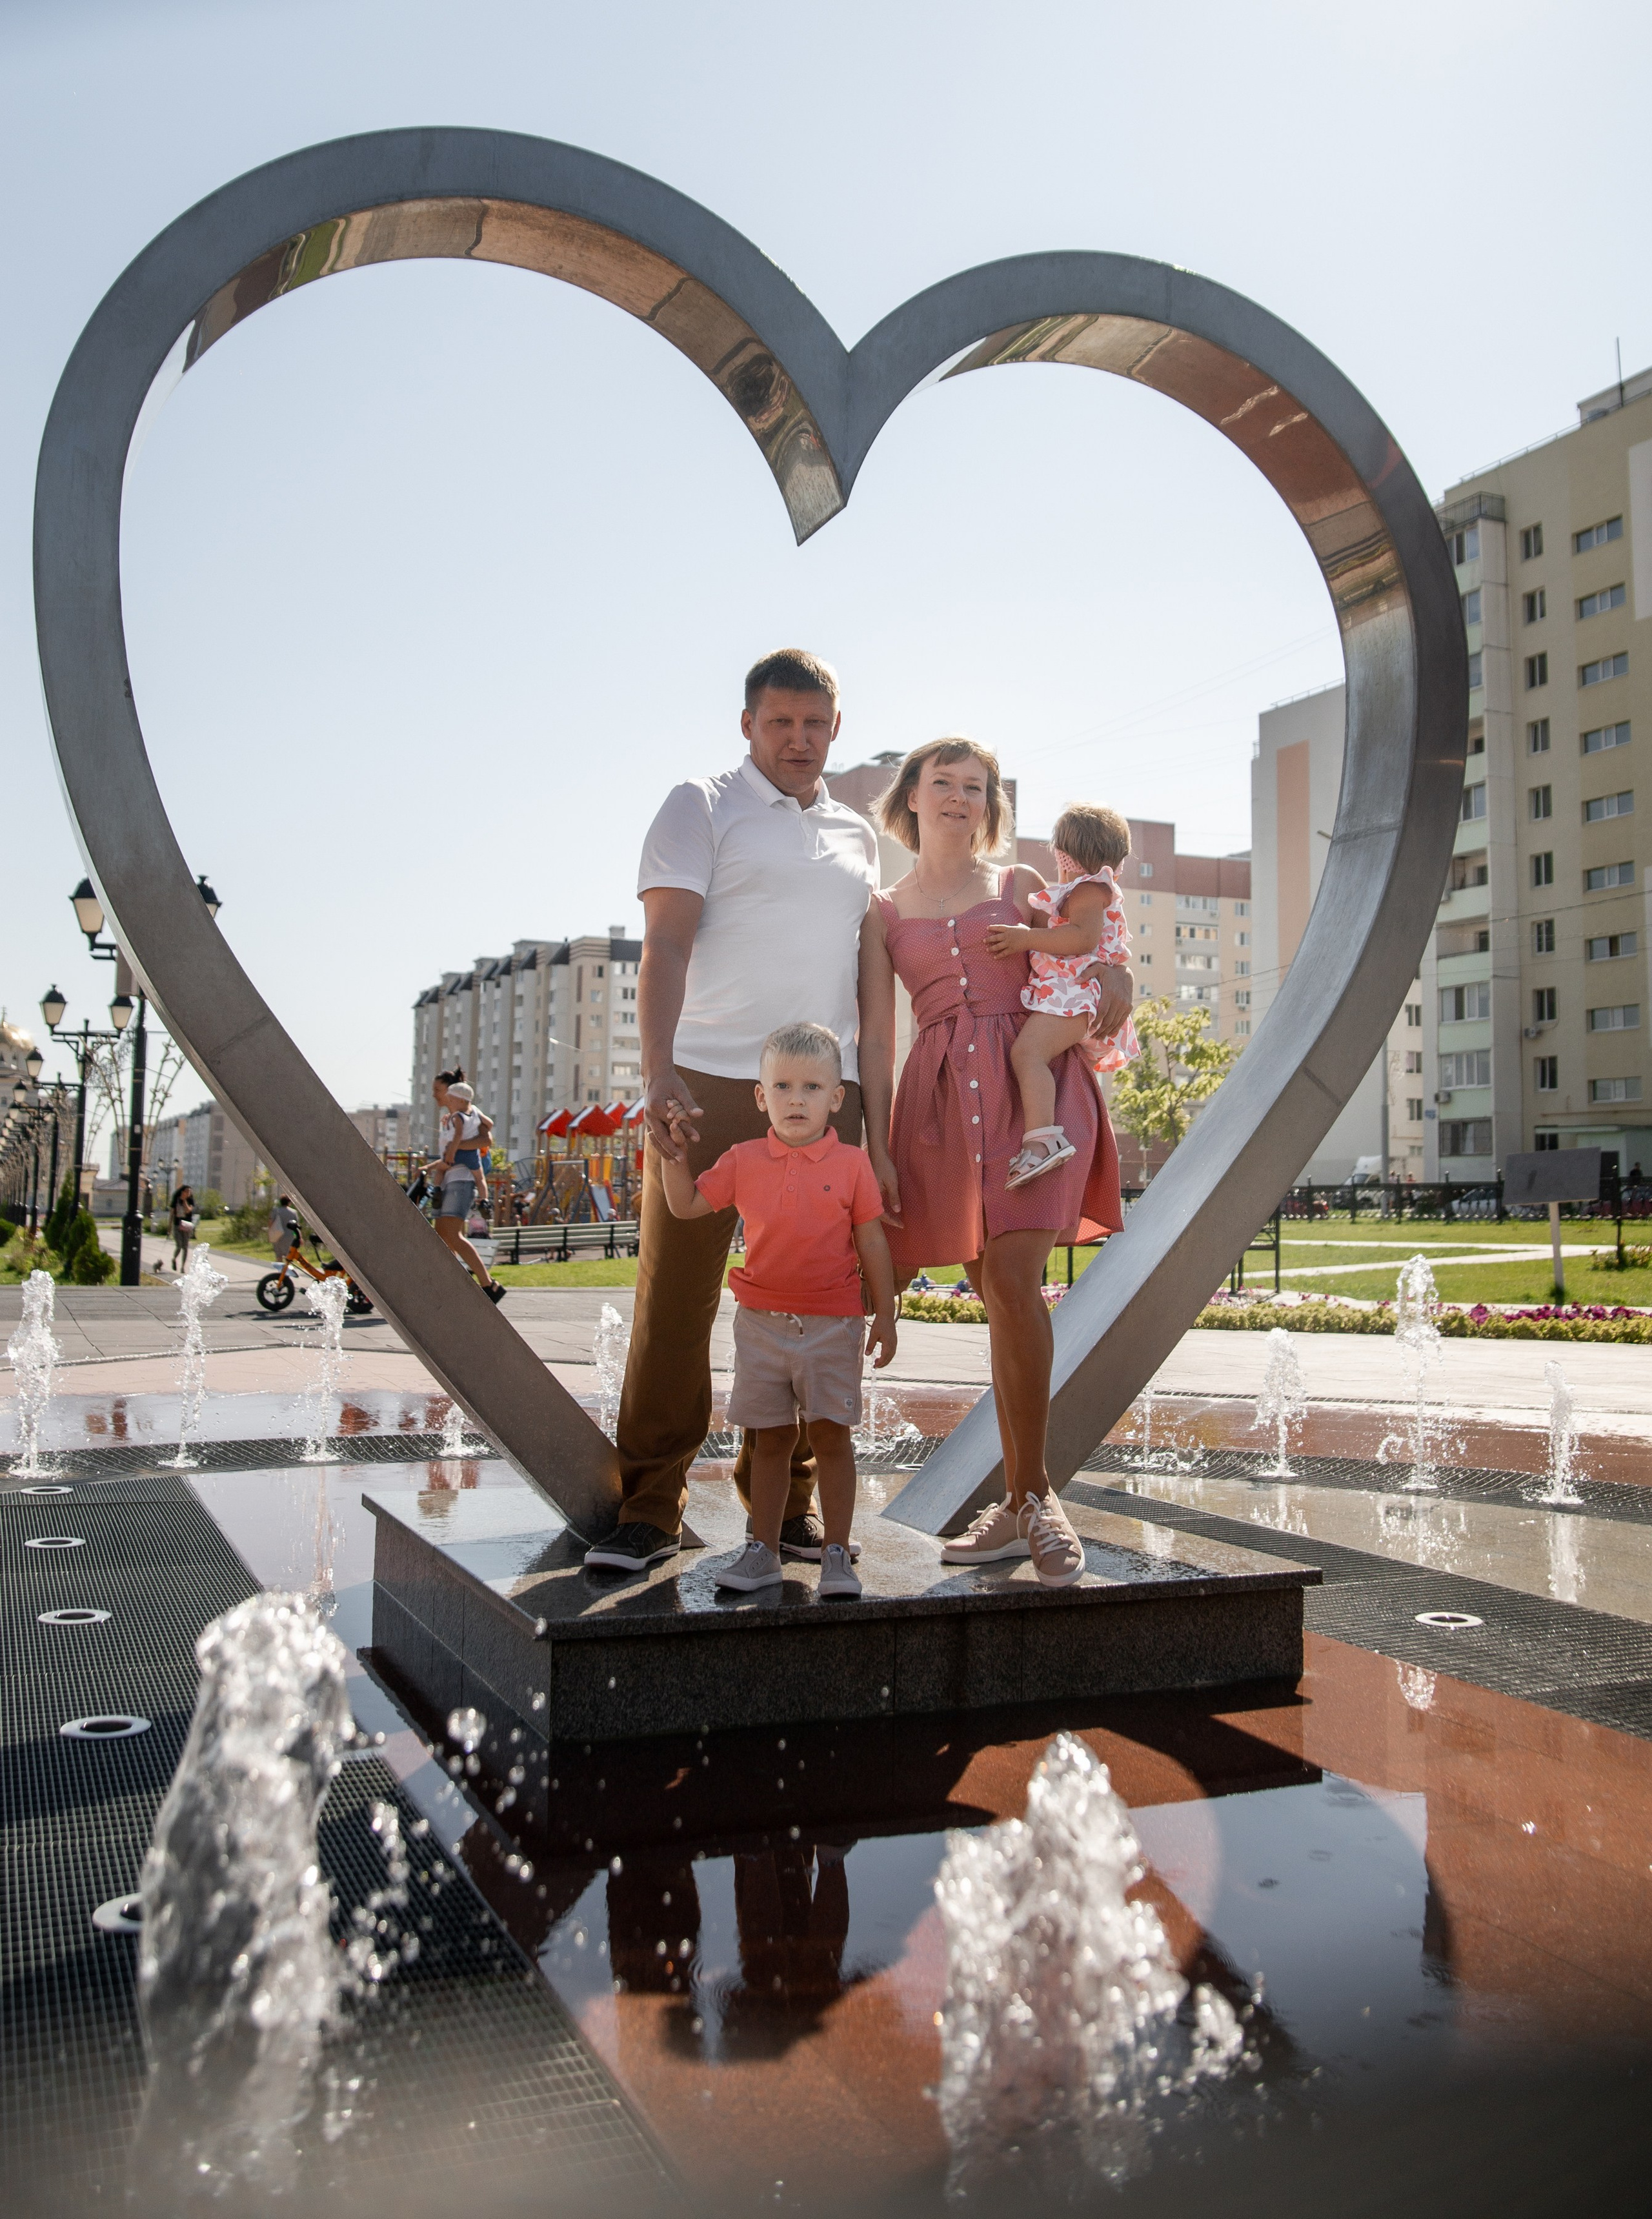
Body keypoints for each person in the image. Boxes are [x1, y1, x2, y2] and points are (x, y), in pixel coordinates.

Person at [585, 648, 880, 1575]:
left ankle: (786, 1508)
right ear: (749, 726)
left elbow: (867, 981)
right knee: (677, 1301)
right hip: (711, 1082)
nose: (798, 739)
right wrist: (659, 1069)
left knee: (811, 1305)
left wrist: (867, 1100)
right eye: (779, 722)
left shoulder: (857, 834)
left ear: (837, 728)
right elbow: (665, 941)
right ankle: (649, 1506)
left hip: (828, 1096)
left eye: (814, 723)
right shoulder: (701, 804)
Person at [857, 738, 1129, 1588]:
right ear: (910, 798)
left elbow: (1092, 941)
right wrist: (874, 1145)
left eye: (976, 787)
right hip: (938, 1107)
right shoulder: (882, 911)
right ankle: (1018, 1507)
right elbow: (875, 1035)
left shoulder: (1018, 887)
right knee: (988, 1287)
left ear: (991, 804)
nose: (961, 797)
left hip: (1034, 1094)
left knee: (1013, 1278)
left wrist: (1120, 981)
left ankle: (1036, 1498)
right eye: (944, 782)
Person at [657, 1022, 896, 1599]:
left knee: (832, 1439)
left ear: (837, 1098)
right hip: (760, 1324)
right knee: (769, 1441)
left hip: (834, 1324)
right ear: (760, 1097)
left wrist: (885, 1314)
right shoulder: (742, 1160)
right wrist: (673, 1153)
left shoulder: (852, 1166)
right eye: (783, 1086)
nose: (796, 1098)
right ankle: (762, 1551)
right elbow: (686, 1205)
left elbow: (872, 1243)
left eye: (812, 1087)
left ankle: (836, 1554)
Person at [987, 803, 1140, 1188]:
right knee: (1032, 1054)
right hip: (1073, 993)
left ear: (1064, 855)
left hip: (1077, 995)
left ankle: (1043, 1142)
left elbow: (1082, 938)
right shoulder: (1083, 890)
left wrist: (1025, 937)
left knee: (1027, 1054)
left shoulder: (1089, 888)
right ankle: (1043, 1139)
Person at [423, 1071, 505, 1302]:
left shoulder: (469, 1115)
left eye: (438, 1090)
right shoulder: (450, 1119)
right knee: (443, 1236)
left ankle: (489, 1284)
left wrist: (454, 1149)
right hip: (450, 1177)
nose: (434, 1095)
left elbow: (486, 1140)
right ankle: (453, 1284)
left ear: (452, 1092)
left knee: (452, 1234)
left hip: (463, 1178)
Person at [169, 1185, 196, 1272]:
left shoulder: (190, 1200)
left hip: (187, 1225)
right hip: (177, 1225)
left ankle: (183, 1267)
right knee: (179, 1245)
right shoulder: (176, 1200)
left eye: (190, 1192)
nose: (188, 1193)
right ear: (182, 1192)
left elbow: (188, 1210)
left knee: (185, 1247)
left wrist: (184, 1200)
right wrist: (169, 1226)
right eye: (187, 1191)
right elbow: (172, 1214)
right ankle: (174, 1259)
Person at [270, 1193, 300, 1262]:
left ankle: (281, 1271)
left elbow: (271, 1222)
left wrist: (271, 1232)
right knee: (288, 1254)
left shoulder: (276, 1211)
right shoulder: (294, 1212)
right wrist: (300, 1237)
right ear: (289, 1202)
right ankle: (287, 1269)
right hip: (290, 1236)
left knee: (279, 1255)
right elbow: (297, 1226)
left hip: (278, 1235)